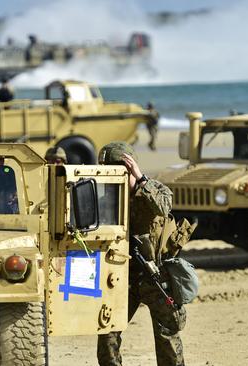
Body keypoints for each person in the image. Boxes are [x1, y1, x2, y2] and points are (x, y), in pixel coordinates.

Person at [97, 142, 186, 366]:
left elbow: (164, 208)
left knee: (167, 334)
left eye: (119, 171)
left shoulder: (153, 190)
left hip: (155, 274)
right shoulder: (107, 200)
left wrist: (141, 179)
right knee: (108, 331)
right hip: (121, 277)